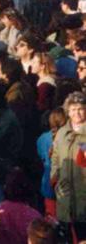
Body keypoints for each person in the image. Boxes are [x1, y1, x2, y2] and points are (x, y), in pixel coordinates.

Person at [50, 92, 86, 239]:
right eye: (73, 109)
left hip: (83, 193)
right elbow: (55, 157)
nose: (76, 113)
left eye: (80, 108)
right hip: (64, 193)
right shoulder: (62, 133)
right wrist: (54, 178)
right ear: (68, 111)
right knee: (66, 236)